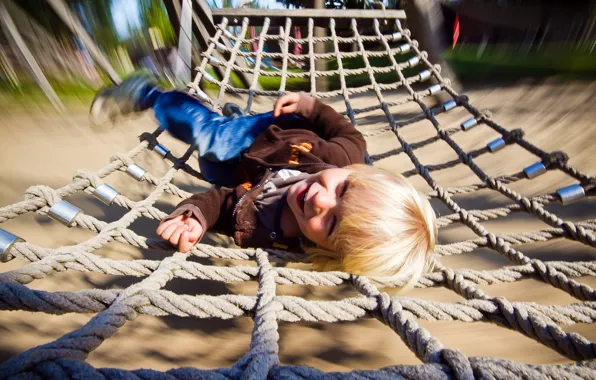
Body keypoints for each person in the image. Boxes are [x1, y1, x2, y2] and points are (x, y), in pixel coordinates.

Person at [90, 75, 437, 285]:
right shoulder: (344, 156)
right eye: (343, 189)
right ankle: (149, 93)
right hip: (269, 136)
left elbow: (224, 203)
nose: (320, 200)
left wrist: (196, 215)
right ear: (352, 174)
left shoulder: (270, 228)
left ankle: (232, 116)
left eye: (331, 224)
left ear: (328, 250)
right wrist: (310, 107)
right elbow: (345, 130)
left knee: (212, 169)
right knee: (212, 138)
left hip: (247, 176)